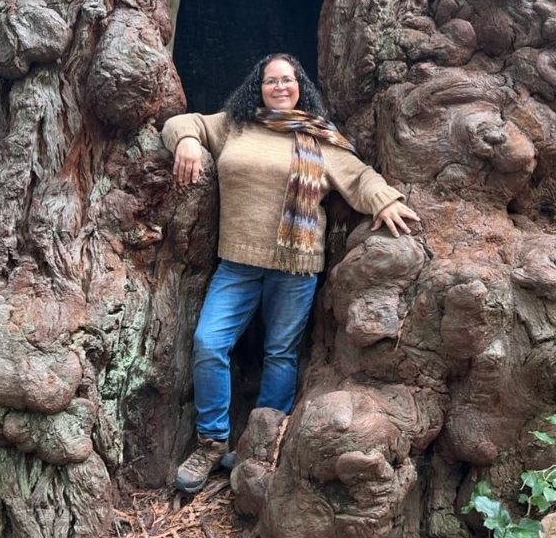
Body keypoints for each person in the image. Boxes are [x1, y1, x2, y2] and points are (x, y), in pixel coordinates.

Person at [161, 52, 419, 494]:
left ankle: (260, 447)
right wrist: (185, 140)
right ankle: (211, 441)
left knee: (280, 354)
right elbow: (183, 123)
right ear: (257, 88)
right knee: (208, 343)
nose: (280, 87)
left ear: (300, 86)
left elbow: (358, 178)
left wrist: (386, 200)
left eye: (288, 80)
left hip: (296, 269)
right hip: (237, 263)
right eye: (270, 81)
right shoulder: (235, 124)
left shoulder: (318, 137)